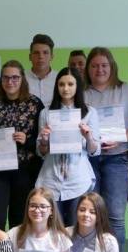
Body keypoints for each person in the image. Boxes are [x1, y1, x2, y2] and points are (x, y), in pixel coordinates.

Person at [84, 47, 128, 252]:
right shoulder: (82, 93)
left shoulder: (126, 90)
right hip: (88, 160)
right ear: (88, 68)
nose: (99, 69)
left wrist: (122, 138)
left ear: (112, 67)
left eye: (104, 65)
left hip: (117, 158)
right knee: (89, 213)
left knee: (116, 216)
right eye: (94, 65)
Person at [0, 59, 45, 229]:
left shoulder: (35, 104)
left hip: (26, 171)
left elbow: (43, 142)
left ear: (22, 79)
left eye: (15, 77)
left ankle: (17, 248)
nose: (10, 82)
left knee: (20, 221)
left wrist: (27, 141)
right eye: (6, 77)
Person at [36, 67, 100, 226]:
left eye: (70, 84)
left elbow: (94, 150)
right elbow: (41, 152)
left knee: (76, 227)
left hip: (77, 179)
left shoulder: (89, 112)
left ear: (78, 86)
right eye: (61, 84)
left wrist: (88, 136)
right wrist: (44, 140)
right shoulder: (46, 113)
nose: (65, 88)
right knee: (52, 228)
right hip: (51, 178)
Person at [25, 33, 56, 108]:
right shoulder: (21, 78)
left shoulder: (60, 78)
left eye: (45, 53)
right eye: (36, 53)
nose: (41, 56)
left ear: (52, 56)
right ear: (30, 57)